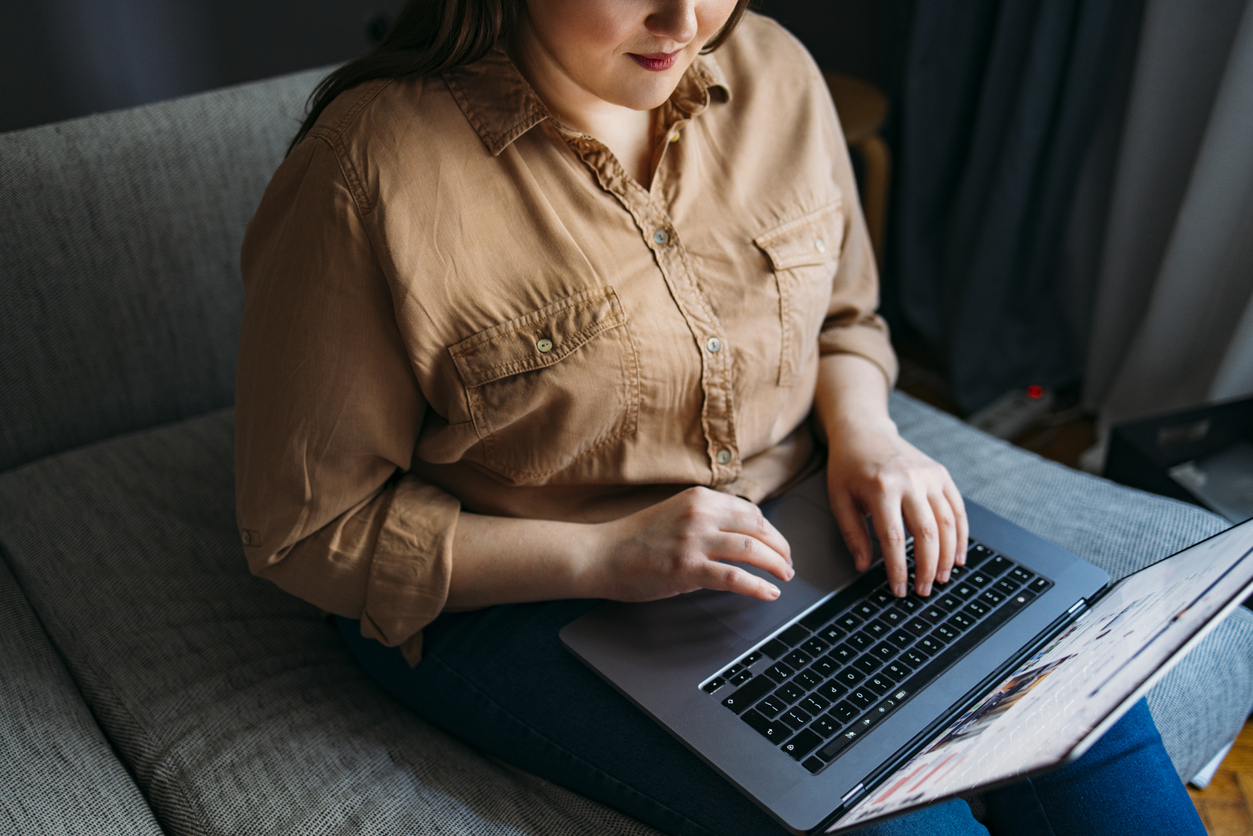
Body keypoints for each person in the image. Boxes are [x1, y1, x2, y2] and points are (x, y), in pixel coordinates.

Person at [234, 1, 1206, 834]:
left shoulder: (772, 68)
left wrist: (868, 433)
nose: (682, 21)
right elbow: (306, 530)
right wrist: (604, 557)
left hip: (796, 520)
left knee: (1072, 702)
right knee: (896, 811)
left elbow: (843, 315)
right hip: (528, 598)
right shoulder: (365, 175)